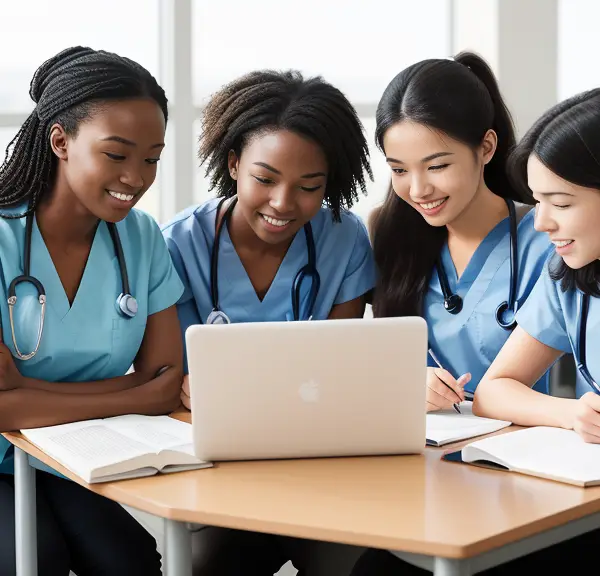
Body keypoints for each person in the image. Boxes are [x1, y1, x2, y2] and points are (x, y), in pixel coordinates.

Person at [162, 69, 375, 575]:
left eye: (310, 187)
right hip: (219, 466)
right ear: (234, 163)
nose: (283, 203)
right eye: (265, 179)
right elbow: (169, 380)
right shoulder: (177, 246)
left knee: (354, 564)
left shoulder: (344, 240)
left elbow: (343, 367)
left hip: (321, 462)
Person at [0, 47, 184, 575]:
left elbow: (165, 385)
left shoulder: (142, 238)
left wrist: (27, 394)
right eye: (116, 154)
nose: (136, 176)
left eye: (151, 158)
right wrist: (133, 394)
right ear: (61, 140)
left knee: (130, 562)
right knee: (36, 559)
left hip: (80, 458)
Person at [370, 51, 551, 412]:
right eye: (400, 170)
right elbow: (361, 362)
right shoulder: (387, 231)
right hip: (414, 446)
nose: (418, 190)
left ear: (485, 148)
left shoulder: (546, 238)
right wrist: (402, 379)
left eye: (436, 166)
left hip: (514, 448)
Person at [474, 88, 600, 437]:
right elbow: (492, 392)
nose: (541, 223)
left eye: (559, 203)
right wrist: (574, 414)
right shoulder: (569, 278)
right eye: (537, 201)